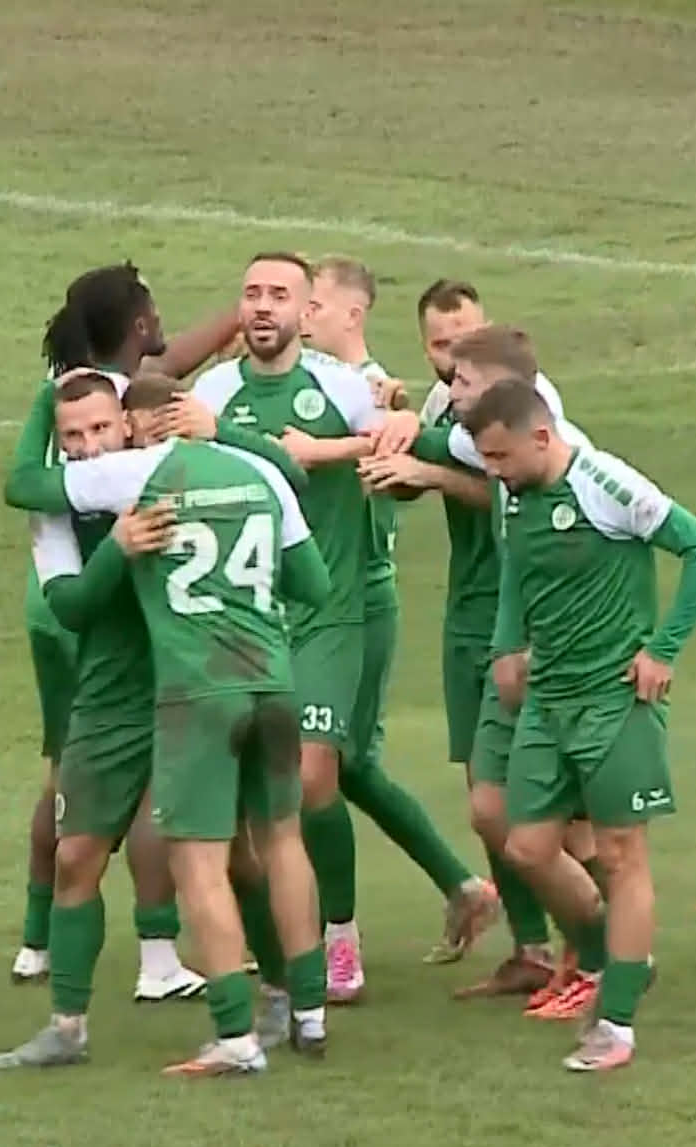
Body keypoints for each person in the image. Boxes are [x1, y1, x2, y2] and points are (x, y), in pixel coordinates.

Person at [189, 252, 499, 1026]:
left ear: (308, 313)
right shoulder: (213, 392)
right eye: (251, 293)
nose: (263, 306)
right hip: (246, 617)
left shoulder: (345, 386)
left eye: (281, 295)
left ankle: (339, 941)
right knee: (257, 795)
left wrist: (375, 428)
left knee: (318, 774)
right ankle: (281, 962)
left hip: (332, 608)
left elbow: (396, 440)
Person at [27, 422, 338, 1074]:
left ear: (135, 426)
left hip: (195, 691)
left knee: (205, 863)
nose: (91, 443)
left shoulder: (142, 475)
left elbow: (23, 482)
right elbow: (313, 584)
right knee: (278, 841)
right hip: (257, 683)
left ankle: (240, 1033)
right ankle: (309, 1012)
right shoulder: (255, 471)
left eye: (103, 426)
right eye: (74, 432)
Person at [463, 378, 696, 1072]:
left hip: (614, 699)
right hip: (546, 698)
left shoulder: (604, 483)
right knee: (526, 848)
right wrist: (506, 646)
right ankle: (619, 954)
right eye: (486, 459)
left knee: (619, 853)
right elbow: (516, 571)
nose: (493, 471)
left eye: (500, 457)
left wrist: (663, 650)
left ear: (541, 438)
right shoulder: (515, 495)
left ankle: (616, 1023)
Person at [0, 263, 236, 1000]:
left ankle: (42, 942)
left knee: (78, 779)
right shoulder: (119, 428)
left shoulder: (73, 408)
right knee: (131, 788)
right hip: (107, 626)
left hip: (68, 615)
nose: (91, 441)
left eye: (100, 430)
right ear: (135, 323)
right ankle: (156, 955)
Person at [362, 316, 595, 1006]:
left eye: (462, 378)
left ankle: (600, 952)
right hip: (488, 627)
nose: (449, 387)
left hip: (547, 642)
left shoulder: (558, 450)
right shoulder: (469, 427)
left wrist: (421, 459)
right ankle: (539, 950)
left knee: (563, 815)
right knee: (490, 801)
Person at [298, 255, 501, 993]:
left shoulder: (368, 397)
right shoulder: (367, 395)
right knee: (331, 765)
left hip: (357, 602)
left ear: (352, 313)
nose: (301, 317)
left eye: (313, 304)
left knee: (330, 765)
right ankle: (461, 889)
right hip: (320, 603)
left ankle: (335, 938)